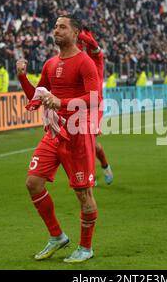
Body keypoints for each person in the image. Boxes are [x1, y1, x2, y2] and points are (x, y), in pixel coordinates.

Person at [17, 15, 100, 263]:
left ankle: (86, 247)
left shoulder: (85, 62)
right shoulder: (50, 64)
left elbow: (93, 99)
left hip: (77, 135)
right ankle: (57, 236)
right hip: (53, 133)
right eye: (55, 26)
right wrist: (22, 77)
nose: (57, 30)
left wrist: (62, 102)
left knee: (83, 194)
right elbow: (37, 95)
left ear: (75, 33)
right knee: (33, 183)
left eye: (63, 27)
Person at [78, 27, 114, 185]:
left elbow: (92, 43)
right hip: (80, 104)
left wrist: (77, 33)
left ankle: (90, 176)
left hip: (95, 105)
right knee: (88, 143)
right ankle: (105, 166)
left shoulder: (98, 58)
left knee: (88, 141)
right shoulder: (79, 59)